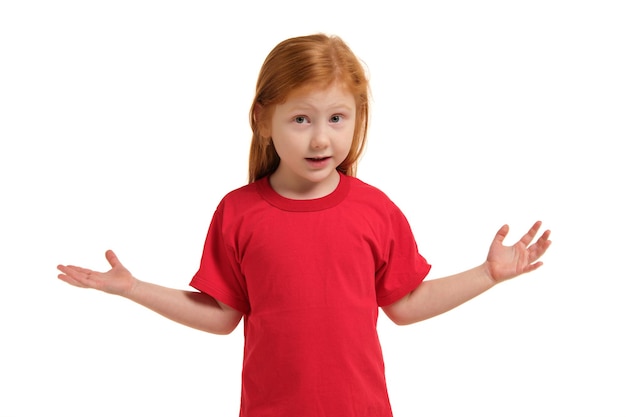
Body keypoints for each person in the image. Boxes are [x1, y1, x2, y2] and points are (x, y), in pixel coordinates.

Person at [57, 33, 552, 417]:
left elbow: (403, 305)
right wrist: (132, 288)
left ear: (358, 118)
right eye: (301, 119)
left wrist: (486, 275)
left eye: (337, 118)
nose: (321, 139)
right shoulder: (238, 212)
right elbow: (222, 316)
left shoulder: (375, 210)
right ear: (263, 119)